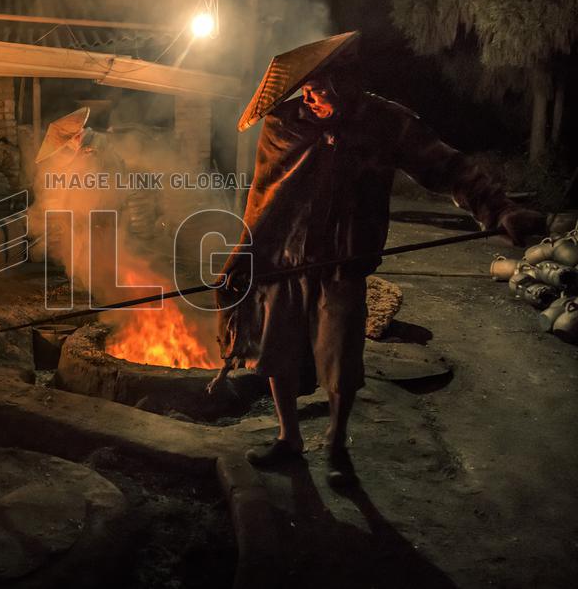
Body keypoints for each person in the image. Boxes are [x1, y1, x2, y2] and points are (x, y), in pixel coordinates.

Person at [208, 33, 544, 487]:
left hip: (344, 262)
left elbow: (447, 167)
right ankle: (288, 438)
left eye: (321, 87)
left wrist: (498, 208)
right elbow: (264, 198)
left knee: (341, 361)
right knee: (278, 355)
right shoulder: (285, 123)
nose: (310, 96)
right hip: (285, 261)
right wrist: (246, 255)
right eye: (305, 88)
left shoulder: (385, 123)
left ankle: (336, 444)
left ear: (346, 82)